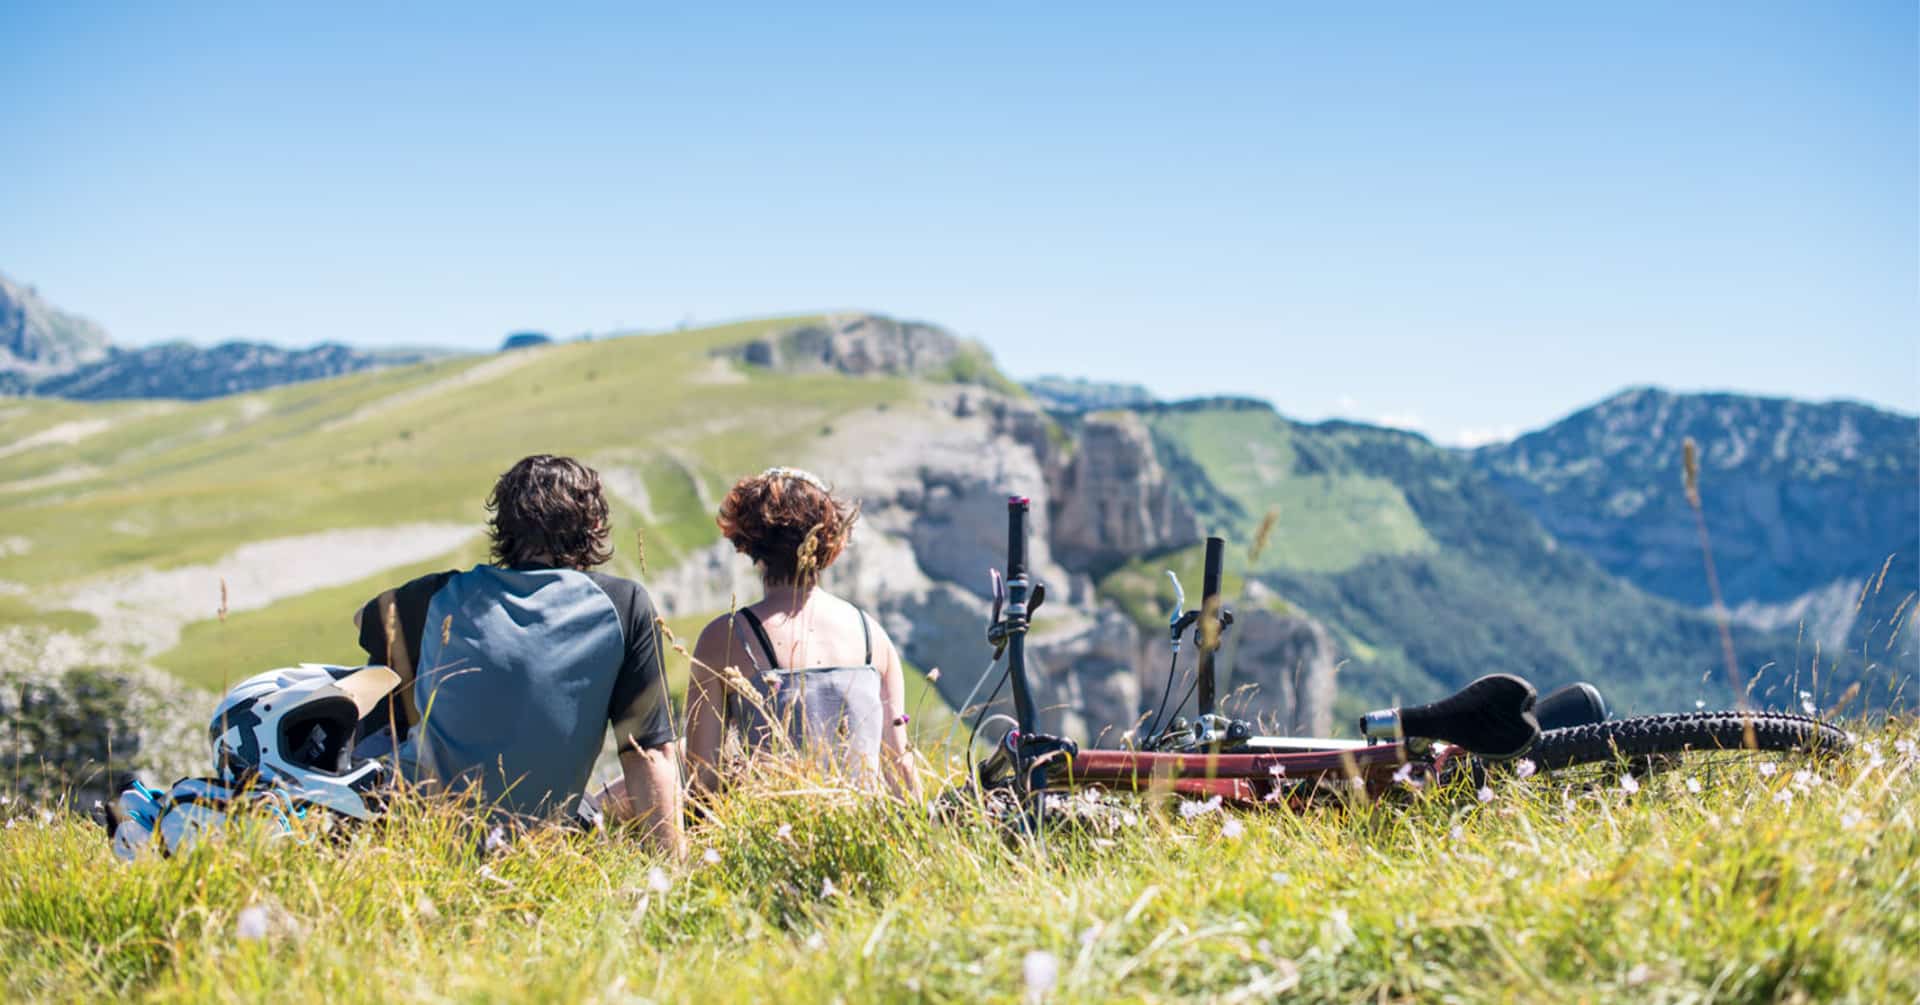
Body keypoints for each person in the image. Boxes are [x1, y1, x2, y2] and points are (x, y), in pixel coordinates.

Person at [352, 454, 683, 854]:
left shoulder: (440, 595)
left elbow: (364, 621)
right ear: (593, 525)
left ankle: (345, 815)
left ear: (503, 527)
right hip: (543, 833)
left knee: (381, 672)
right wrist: (673, 877)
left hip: (427, 831)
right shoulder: (623, 605)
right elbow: (649, 755)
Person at [685, 467, 920, 800]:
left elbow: (702, 779)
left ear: (749, 540)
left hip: (774, 836)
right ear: (831, 540)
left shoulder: (725, 637)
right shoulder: (873, 635)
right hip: (868, 835)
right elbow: (900, 764)